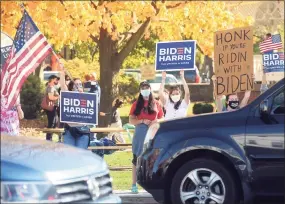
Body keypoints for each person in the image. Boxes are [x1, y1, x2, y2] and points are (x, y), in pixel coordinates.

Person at [129, 81, 164, 193]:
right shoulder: (136, 104)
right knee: (136, 159)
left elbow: (162, 118)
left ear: (150, 89)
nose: (145, 89)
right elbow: (131, 120)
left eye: (147, 87)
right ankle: (134, 185)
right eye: (143, 88)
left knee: (153, 159)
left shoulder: (156, 103)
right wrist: (142, 120)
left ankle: (154, 184)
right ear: (140, 90)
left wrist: (155, 121)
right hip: (140, 133)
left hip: (153, 133)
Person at [59, 71, 90, 149]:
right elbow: (63, 85)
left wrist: (83, 96)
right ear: (72, 87)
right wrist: (61, 73)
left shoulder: (88, 98)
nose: (78, 86)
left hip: (83, 131)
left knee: (81, 155)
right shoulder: (67, 96)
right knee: (70, 155)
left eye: (80, 84)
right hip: (69, 130)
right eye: (76, 84)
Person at [84, 73, 101, 140]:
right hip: (92, 108)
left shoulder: (93, 85)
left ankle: (92, 139)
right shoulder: (96, 85)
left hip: (92, 108)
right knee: (90, 124)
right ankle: (91, 138)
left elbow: (90, 95)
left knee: (91, 125)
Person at [44, 75, 60, 141]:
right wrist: (59, 97)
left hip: (53, 107)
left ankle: (50, 138)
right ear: (52, 79)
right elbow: (50, 97)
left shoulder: (52, 87)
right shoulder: (50, 87)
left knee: (55, 121)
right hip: (50, 107)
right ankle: (48, 139)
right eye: (56, 79)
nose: (57, 81)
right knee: (52, 122)